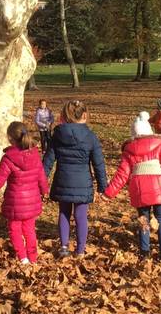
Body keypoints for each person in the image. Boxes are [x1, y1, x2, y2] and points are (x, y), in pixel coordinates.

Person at [102, 111, 161, 266]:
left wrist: (109, 193)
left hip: (140, 187)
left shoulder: (129, 150)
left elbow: (122, 174)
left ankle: (145, 252)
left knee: (144, 220)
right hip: (159, 184)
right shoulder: (160, 145)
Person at [43, 100, 107, 258]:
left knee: (64, 213)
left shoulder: (57, 135)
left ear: (64, 115)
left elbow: (48, 161)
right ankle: (79, 250)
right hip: (83, 182)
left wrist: (41, 182)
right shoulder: (90, 136)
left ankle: (64, 246)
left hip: (63, 180)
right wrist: (102, 186)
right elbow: (98, 163)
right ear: (85, 115)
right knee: (80, 215)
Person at [0, 121, 49, 265]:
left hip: (15, 201)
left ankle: (22, 258)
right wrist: (45, 191)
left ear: (10, 138)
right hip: (32, 200)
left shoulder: (8, 158)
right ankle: (33, 257)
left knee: (15, 229)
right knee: (29, 230)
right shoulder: (35, 154)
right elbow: (41, 176)